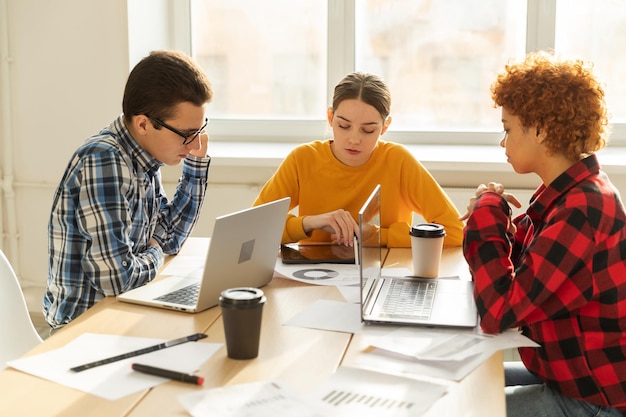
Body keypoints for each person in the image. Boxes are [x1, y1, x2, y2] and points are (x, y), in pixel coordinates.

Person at [461, 51, 626, 416]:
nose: (502, 143)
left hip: (593, 397)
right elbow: (515, 273)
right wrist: (493, 212)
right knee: (455, 381)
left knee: (462, 407)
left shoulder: (582, 210)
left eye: (507, 128)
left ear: (540, 129)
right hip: (566, 375)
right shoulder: (567, 191)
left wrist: (487, 214)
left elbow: (499, 313)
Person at [43, 50, 213, 329]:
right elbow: (116, 278)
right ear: (144, 123)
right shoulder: (104, 160)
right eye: (186, 135)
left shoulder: (144, 157)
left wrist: (195, 167)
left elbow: (169, 237)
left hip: (125, 309)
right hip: (86, 327)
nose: (195, 144)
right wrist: (155, 253)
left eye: (200, 130)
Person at [253, 72, 463, 248]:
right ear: (330, 117)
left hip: (385, 275)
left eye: (368, 130)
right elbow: (253, 228)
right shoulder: (303, 159)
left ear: (385, 127)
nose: (354, 139)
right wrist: (309, 223)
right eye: (343, 126)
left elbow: (455, 232)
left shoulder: (398, 161)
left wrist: (379, 236)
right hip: (314, 277)